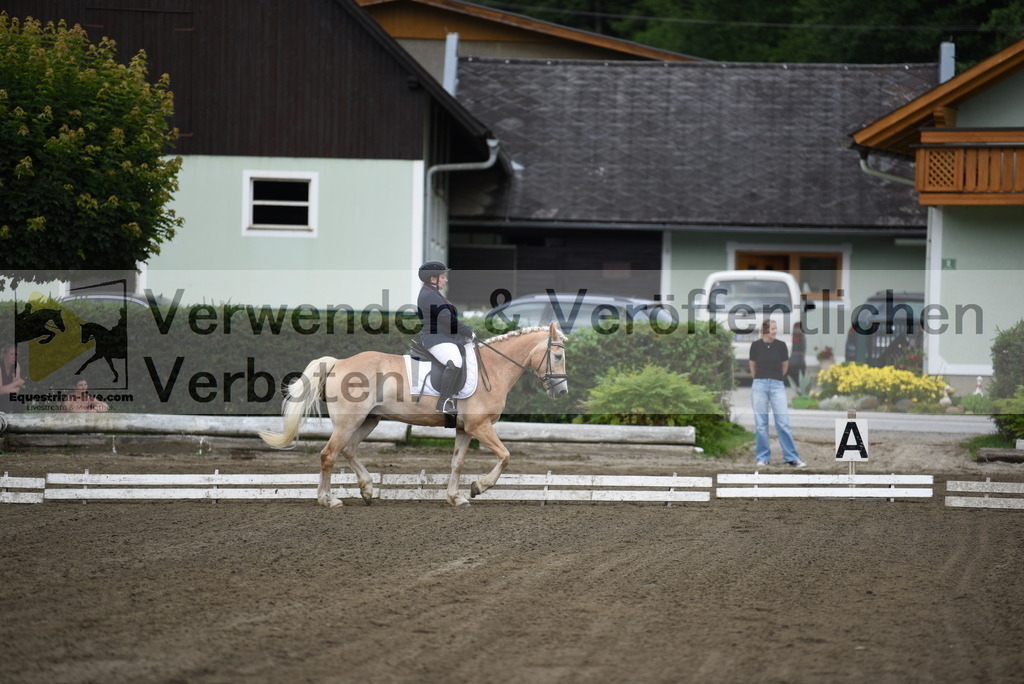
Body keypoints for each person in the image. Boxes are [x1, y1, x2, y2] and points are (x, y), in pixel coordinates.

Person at [416, 261, 474, 415]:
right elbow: (447, 319)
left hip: (442, 337)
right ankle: (443, 402)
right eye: (443, 277)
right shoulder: (430, 295)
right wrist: (468, 332)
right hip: (434, 339)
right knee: (455, 361)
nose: (446, 280)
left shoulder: (433, 293)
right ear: (433, 279)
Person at [749, 320, 807, 468]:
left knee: (783, 423)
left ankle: (791, 457)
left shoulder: (781, 346)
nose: (775, 331)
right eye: (772, 329)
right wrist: (759, 379)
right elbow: (753, 366)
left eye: (776, 329)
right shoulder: (755, 346)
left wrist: (775, 378)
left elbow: (784, 366)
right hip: (759, 385)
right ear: (765, 330)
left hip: (777, 385)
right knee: (761, 424)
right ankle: (763, 457)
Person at [1, 344, 26, 412]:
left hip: (8, 396)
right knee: (6, 398)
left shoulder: (16, 366)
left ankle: (18, 421)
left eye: (16, 354)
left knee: (19, 400)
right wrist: (17, 382)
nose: (14, 357)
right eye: (11, 354)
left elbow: (17, 390)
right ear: (5, 355)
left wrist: (7, 390)